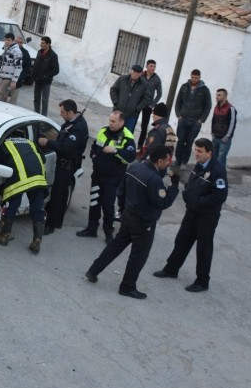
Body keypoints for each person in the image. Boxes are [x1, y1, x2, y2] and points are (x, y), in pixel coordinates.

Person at [85, 145, 180, 299]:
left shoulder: (135, 167)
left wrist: (122, 209)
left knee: (115, 246)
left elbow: (121, 191)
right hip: (144, 223)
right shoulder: (154, 180)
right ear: (160, 161)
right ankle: (127, 286)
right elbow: (162, 203)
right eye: (167, 161)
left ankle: (94, 270)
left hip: (129, 216)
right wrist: (174, 187)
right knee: (138, 255)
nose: (169, 163)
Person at [152, 138, 228, 292]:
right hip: (192, 213)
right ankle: (171, 269)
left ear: (209, 153)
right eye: (196, 150)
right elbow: (190, 184)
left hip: (206, 217)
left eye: (200, 151)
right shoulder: (199, 166)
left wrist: (198, 202)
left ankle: (202, 281)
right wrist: (187, 195)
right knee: (182, 241)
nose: (196, 153)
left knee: (203, 249)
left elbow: (219, 196)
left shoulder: (218, 170)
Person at [78, 110, 137, 242]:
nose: (110, 123)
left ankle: (108, 232)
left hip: (113, 178)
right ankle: (91, 228)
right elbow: (95, 145)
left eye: (113, 121)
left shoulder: (127, 137)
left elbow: (131, 157)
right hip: (98, 175)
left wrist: (115, 150)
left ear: (121, 122)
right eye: (110, 120)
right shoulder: (103, 131)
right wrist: (93, 155)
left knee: (107, 205)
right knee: (94, 202)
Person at [0, 130, 49, 254]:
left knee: (10, 205)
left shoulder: (4, 144)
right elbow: (43, 159)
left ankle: (4, 235)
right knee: (37, 209)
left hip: (19, 180)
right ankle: (37, 239)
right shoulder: (30, 142)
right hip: (38, 178)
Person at [38, 99, 88, 234]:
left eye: (63, 112)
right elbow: (62, 135)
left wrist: (48, 142)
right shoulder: (71, 122)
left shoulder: (79, 127)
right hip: (63, 163)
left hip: (67, 165)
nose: (60, 114)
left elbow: (66, 148)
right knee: (62, 193)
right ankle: (57, 221)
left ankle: (51, 224)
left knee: (57, 195)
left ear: (71, 112)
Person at [173, 69, 212, 169]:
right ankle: (177, 160)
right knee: (181, 140)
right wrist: (178, 115)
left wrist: (201, 119)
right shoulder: (184, 87)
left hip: (195, 121)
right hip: (183, 118)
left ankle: (184, 162)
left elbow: (208, 106)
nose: (194, 79)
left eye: (196, 78)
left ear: (199, 78)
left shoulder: (204, 90)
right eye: (193, 77)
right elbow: (178, 101)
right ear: (190, 76)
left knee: (189, 142)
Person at [110, 64, 151, 134]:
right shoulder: (122, 79)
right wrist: (116, 102)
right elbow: (113, 90)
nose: (135, 74)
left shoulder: (144, 84)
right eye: (134, 71)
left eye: (137, 72)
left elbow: (147, 98)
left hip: (131, 115)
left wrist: (137, 108)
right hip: (118, 113)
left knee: (127, 134)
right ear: (131, 71)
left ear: (140, 74)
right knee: (114, 130)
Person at [31, 36, 59, 116]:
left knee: (44, 100)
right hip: (37, 80)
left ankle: (43, 117)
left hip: (46, 81)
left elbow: (56, 70)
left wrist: (46, 75)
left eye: (43, 43)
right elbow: (36, 65)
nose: (41, 44)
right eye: (41, 43)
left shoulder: (53, 55)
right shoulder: (39, 52)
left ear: (48, 44)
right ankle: (36, 115)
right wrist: (33, 75)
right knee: (36, 99)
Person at [210, 89, 237, 168]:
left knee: (220, 159)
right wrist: (212, 132)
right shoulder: (216, 107)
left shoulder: (230, 108)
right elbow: (213, 120)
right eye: (216, 95)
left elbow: (232, 124)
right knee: (213, 158)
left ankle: (218, 175)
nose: (217, 97)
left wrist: (227, 136)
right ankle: (217, 174)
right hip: (215, 137)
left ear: (225, 96)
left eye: (219, 95)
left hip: (224, 139)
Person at [0, 32, 23, 103]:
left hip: (8, 79)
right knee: (3, 98)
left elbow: (18, 67)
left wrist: (14, 81)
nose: (6, 41)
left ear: (13, 41)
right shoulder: (7, 50)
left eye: (9, 40)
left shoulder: (16, 51)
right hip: (3, 77)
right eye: (5, 39)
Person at [138, 59, 162, 139]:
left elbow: (159, 93)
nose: (153, 68)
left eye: (154, 66)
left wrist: (152, 105)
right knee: (132, 122)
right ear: (146, 66)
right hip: (137, 103)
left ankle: (140, 146)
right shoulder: (140, 75)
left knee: (144, 127)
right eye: (151, 66)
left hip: (148, 105)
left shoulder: (157, 79)